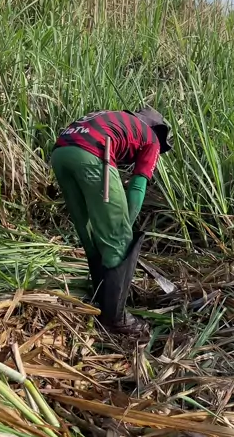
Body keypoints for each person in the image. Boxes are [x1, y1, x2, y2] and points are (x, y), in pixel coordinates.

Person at [51, 107, 172, 337]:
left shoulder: (115, 119)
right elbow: (138, 186)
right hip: (93, 153)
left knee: (87, 231)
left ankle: (100, 297)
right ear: (157, 129)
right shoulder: (152, 139)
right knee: (119, 238)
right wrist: (125, 226)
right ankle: (115, 319)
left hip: (61, 152)